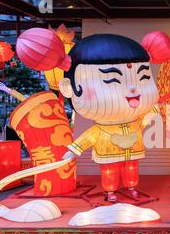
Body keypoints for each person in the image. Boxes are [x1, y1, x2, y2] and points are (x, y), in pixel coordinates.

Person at [60, 34, 160, 202]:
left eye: (143, 77)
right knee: (109, 171)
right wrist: (73, 151)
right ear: (69, 88)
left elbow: (148, 117)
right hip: (107, 150)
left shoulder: (136, 121)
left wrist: (154, 112)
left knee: (132, 168)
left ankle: (132, 187)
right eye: (112, 80)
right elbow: (87, 138)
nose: (133, 89)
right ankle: (110, 191)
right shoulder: (100, 129)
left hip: (133, 149)